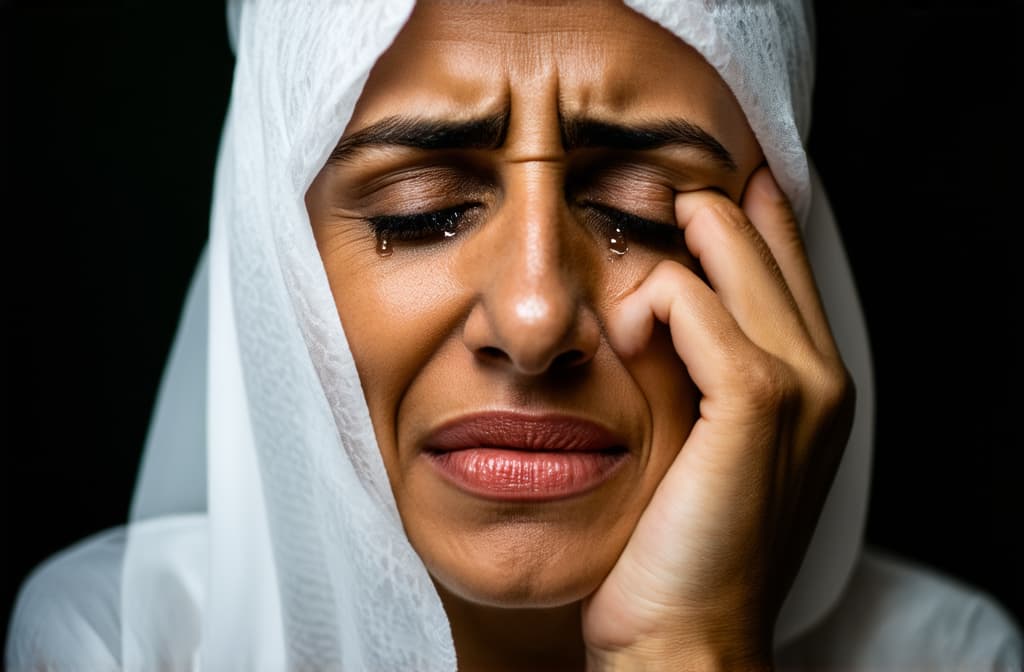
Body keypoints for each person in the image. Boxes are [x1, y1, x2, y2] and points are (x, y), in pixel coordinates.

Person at [6, 1, 1021, 670]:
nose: (535, 321)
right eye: (419, 210)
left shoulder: (945, 656)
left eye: (644, 210)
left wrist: (688, 651)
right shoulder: (126, 645)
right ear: (277, 267)